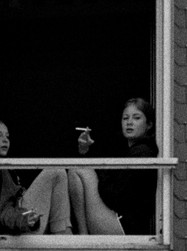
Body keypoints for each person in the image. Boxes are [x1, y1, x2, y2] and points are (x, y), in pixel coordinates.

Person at [67, 98, 159, 236]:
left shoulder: (143, 152)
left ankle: (83, 235)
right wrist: (85, 151)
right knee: (80, 169)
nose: (129, 122)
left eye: (136, 118)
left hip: (124, 227)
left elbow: (113, 196)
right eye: (125, 118)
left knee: (77, 170)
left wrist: (101, 174)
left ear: (149, 124)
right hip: (118, 222)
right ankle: (83, 236)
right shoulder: (129, 151)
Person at [0, 121, 71, 236]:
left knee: (58, 171)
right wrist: (25, 220)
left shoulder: (4, 168)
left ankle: (62, 230)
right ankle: (62, 231)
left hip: (23, 218)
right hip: (20, 223)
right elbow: (5, 211)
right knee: (56, 171)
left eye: (7, 136)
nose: (5, 140)